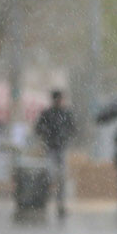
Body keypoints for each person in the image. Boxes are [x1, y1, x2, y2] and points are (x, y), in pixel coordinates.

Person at [34, 90, 77, 219]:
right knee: (50, 177)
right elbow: (38, 128)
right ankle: (45, 202)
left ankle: (60, 205)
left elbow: (73, 128)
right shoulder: (48, 114)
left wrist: (64, 134)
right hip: (51, 149)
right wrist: (48, 133)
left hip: (61, 149)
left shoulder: (65, 113)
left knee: (61, 179)